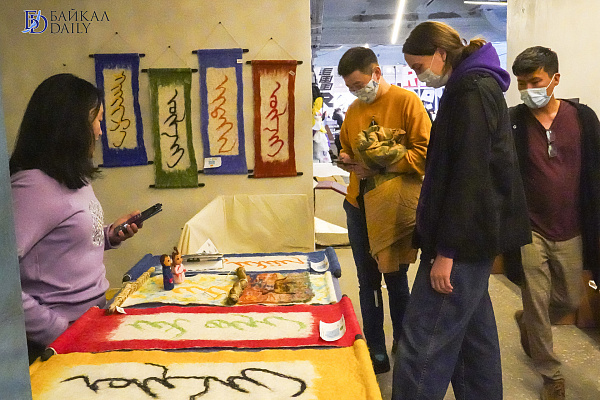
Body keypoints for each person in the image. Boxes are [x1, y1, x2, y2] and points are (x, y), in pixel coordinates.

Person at [392, 21, 531, 399]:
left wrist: (447, 252)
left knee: (423, 342)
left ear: (441, 53)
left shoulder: (471, 92)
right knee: (473, 341)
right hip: (472, 237)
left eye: (419, 66)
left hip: (462, 242)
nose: (418, 74)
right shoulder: (471, 87)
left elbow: (469, 178)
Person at [10, 73, 142, 363]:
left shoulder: (72, 176)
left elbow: (63, 242)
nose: (100, 132)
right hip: (58, 342)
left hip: (90, 323)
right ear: (71, 125)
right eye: (97, 120)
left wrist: (108, 235)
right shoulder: (32, 187)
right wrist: (54, 329)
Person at [506, 46, 600, 400]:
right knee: (536, 299)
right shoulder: (514, 121)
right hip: (530, 229)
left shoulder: (583, 118)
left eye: (535, 81)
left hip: (572, 227)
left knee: (570, 299)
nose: (528, 89)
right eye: (522, 83)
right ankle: (551, 376)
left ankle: (528, 322)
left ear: (555, 79)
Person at [336, 46, 431, 373]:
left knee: (395, 278)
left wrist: (380, 166)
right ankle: (375, 347)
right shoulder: (353, 110)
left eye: (359, 84)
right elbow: (346, 148)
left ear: (376, 73)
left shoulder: (407, 102)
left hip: (392, 206)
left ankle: (403, 344)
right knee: (367, 281)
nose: (356, 91)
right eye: (350, 87)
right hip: (358, 205)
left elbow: (424, 155)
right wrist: (346, 159)